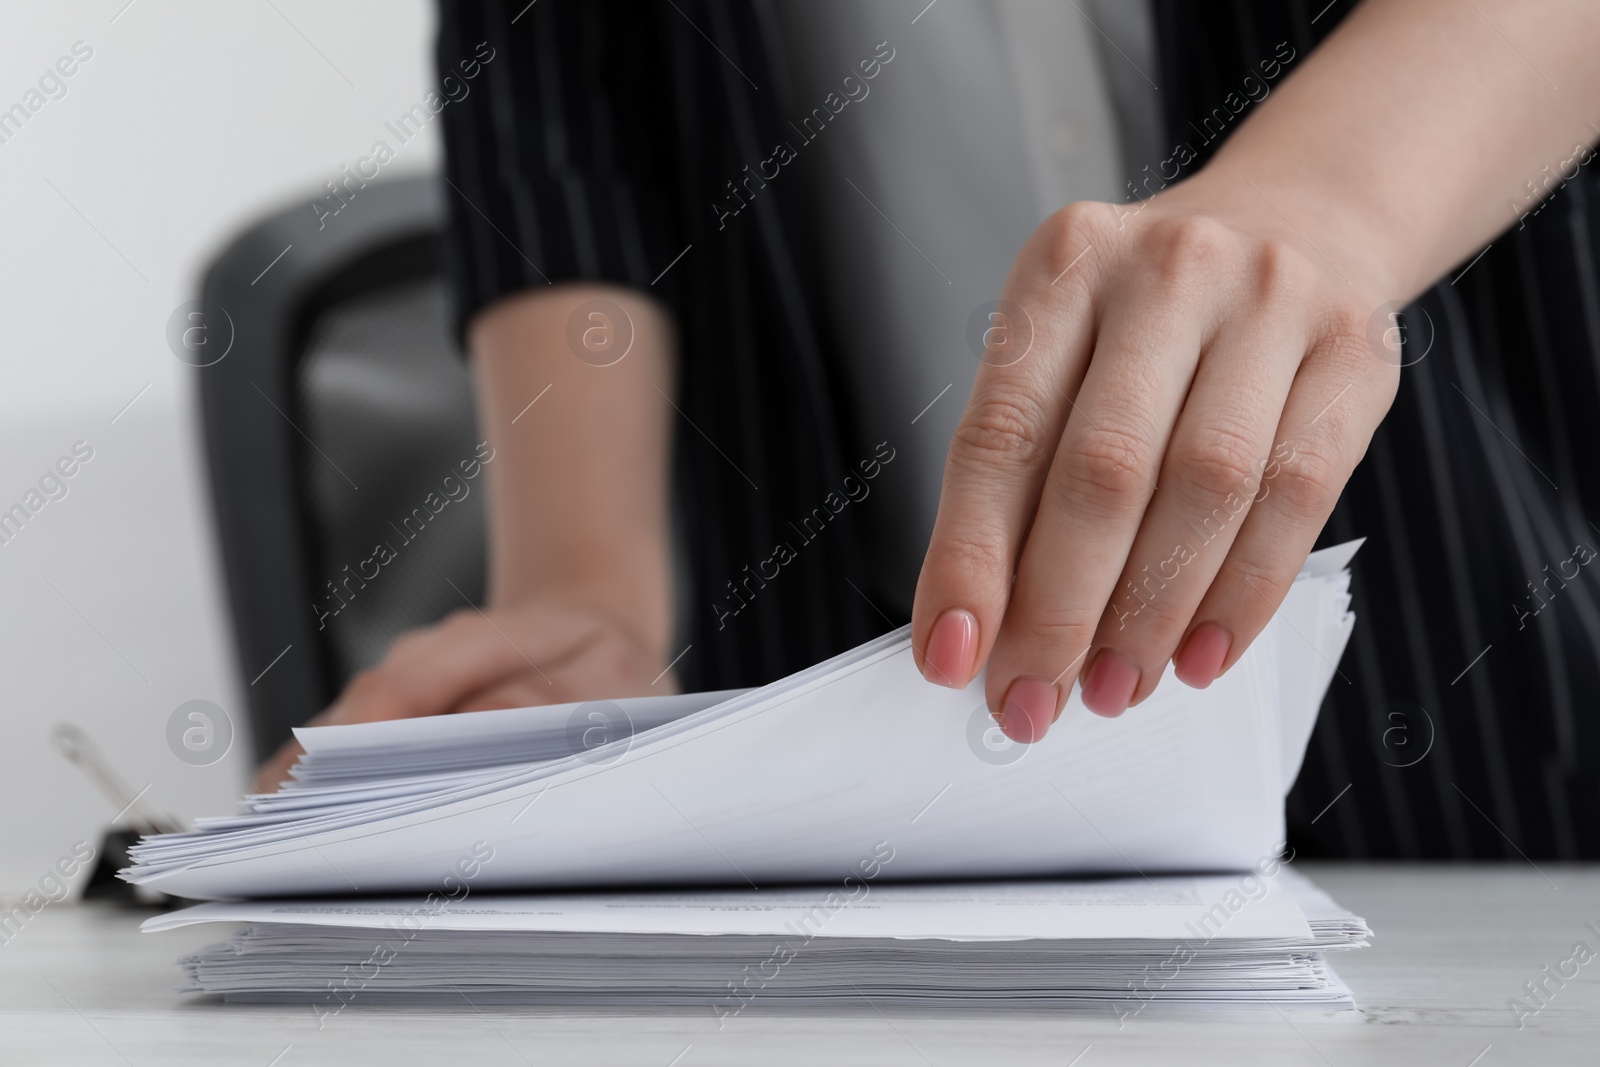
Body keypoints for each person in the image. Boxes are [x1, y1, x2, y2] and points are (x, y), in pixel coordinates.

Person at [257, 0, 1600, 861]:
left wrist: (1320, 211)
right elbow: (560, 113)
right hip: (873, 851)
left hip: (1500, 738)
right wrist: (587, 606)